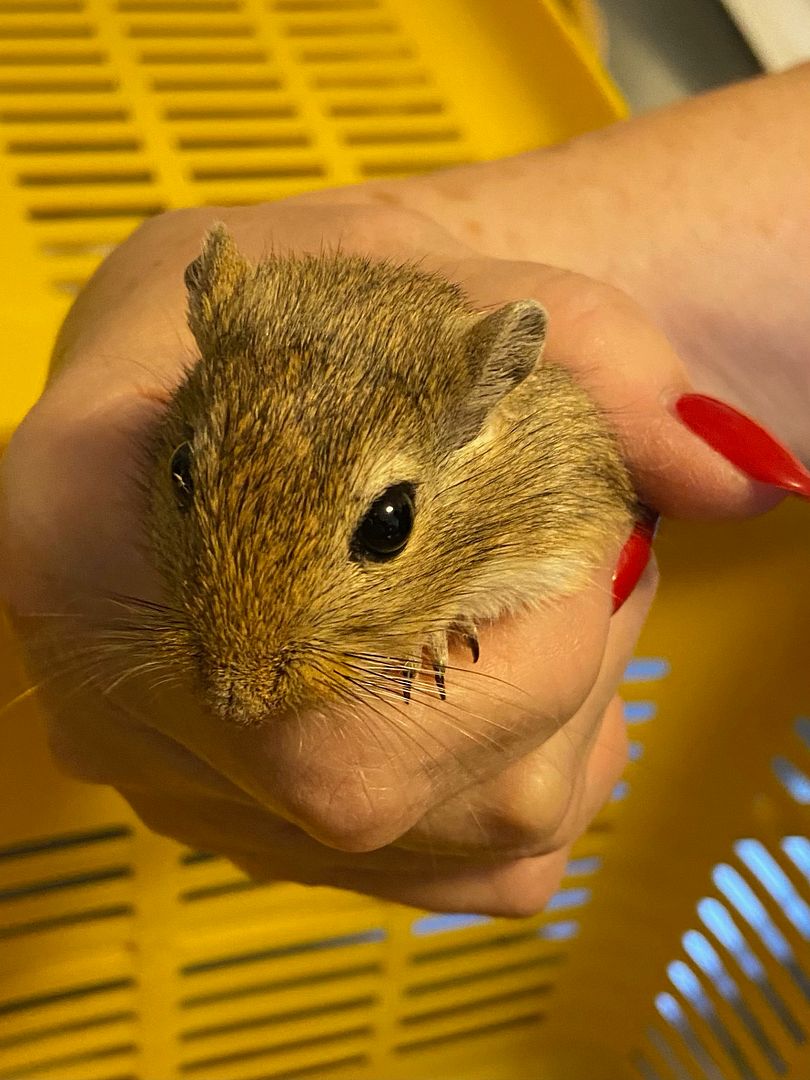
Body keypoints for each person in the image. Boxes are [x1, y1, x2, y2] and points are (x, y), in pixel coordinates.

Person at [2, 62, 809, 916]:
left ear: (486, 406)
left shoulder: (534, 460)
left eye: (385, 525)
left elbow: (578, 532)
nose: (239, 683)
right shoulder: (211, 386)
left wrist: (449, 613)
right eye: (185, 479)